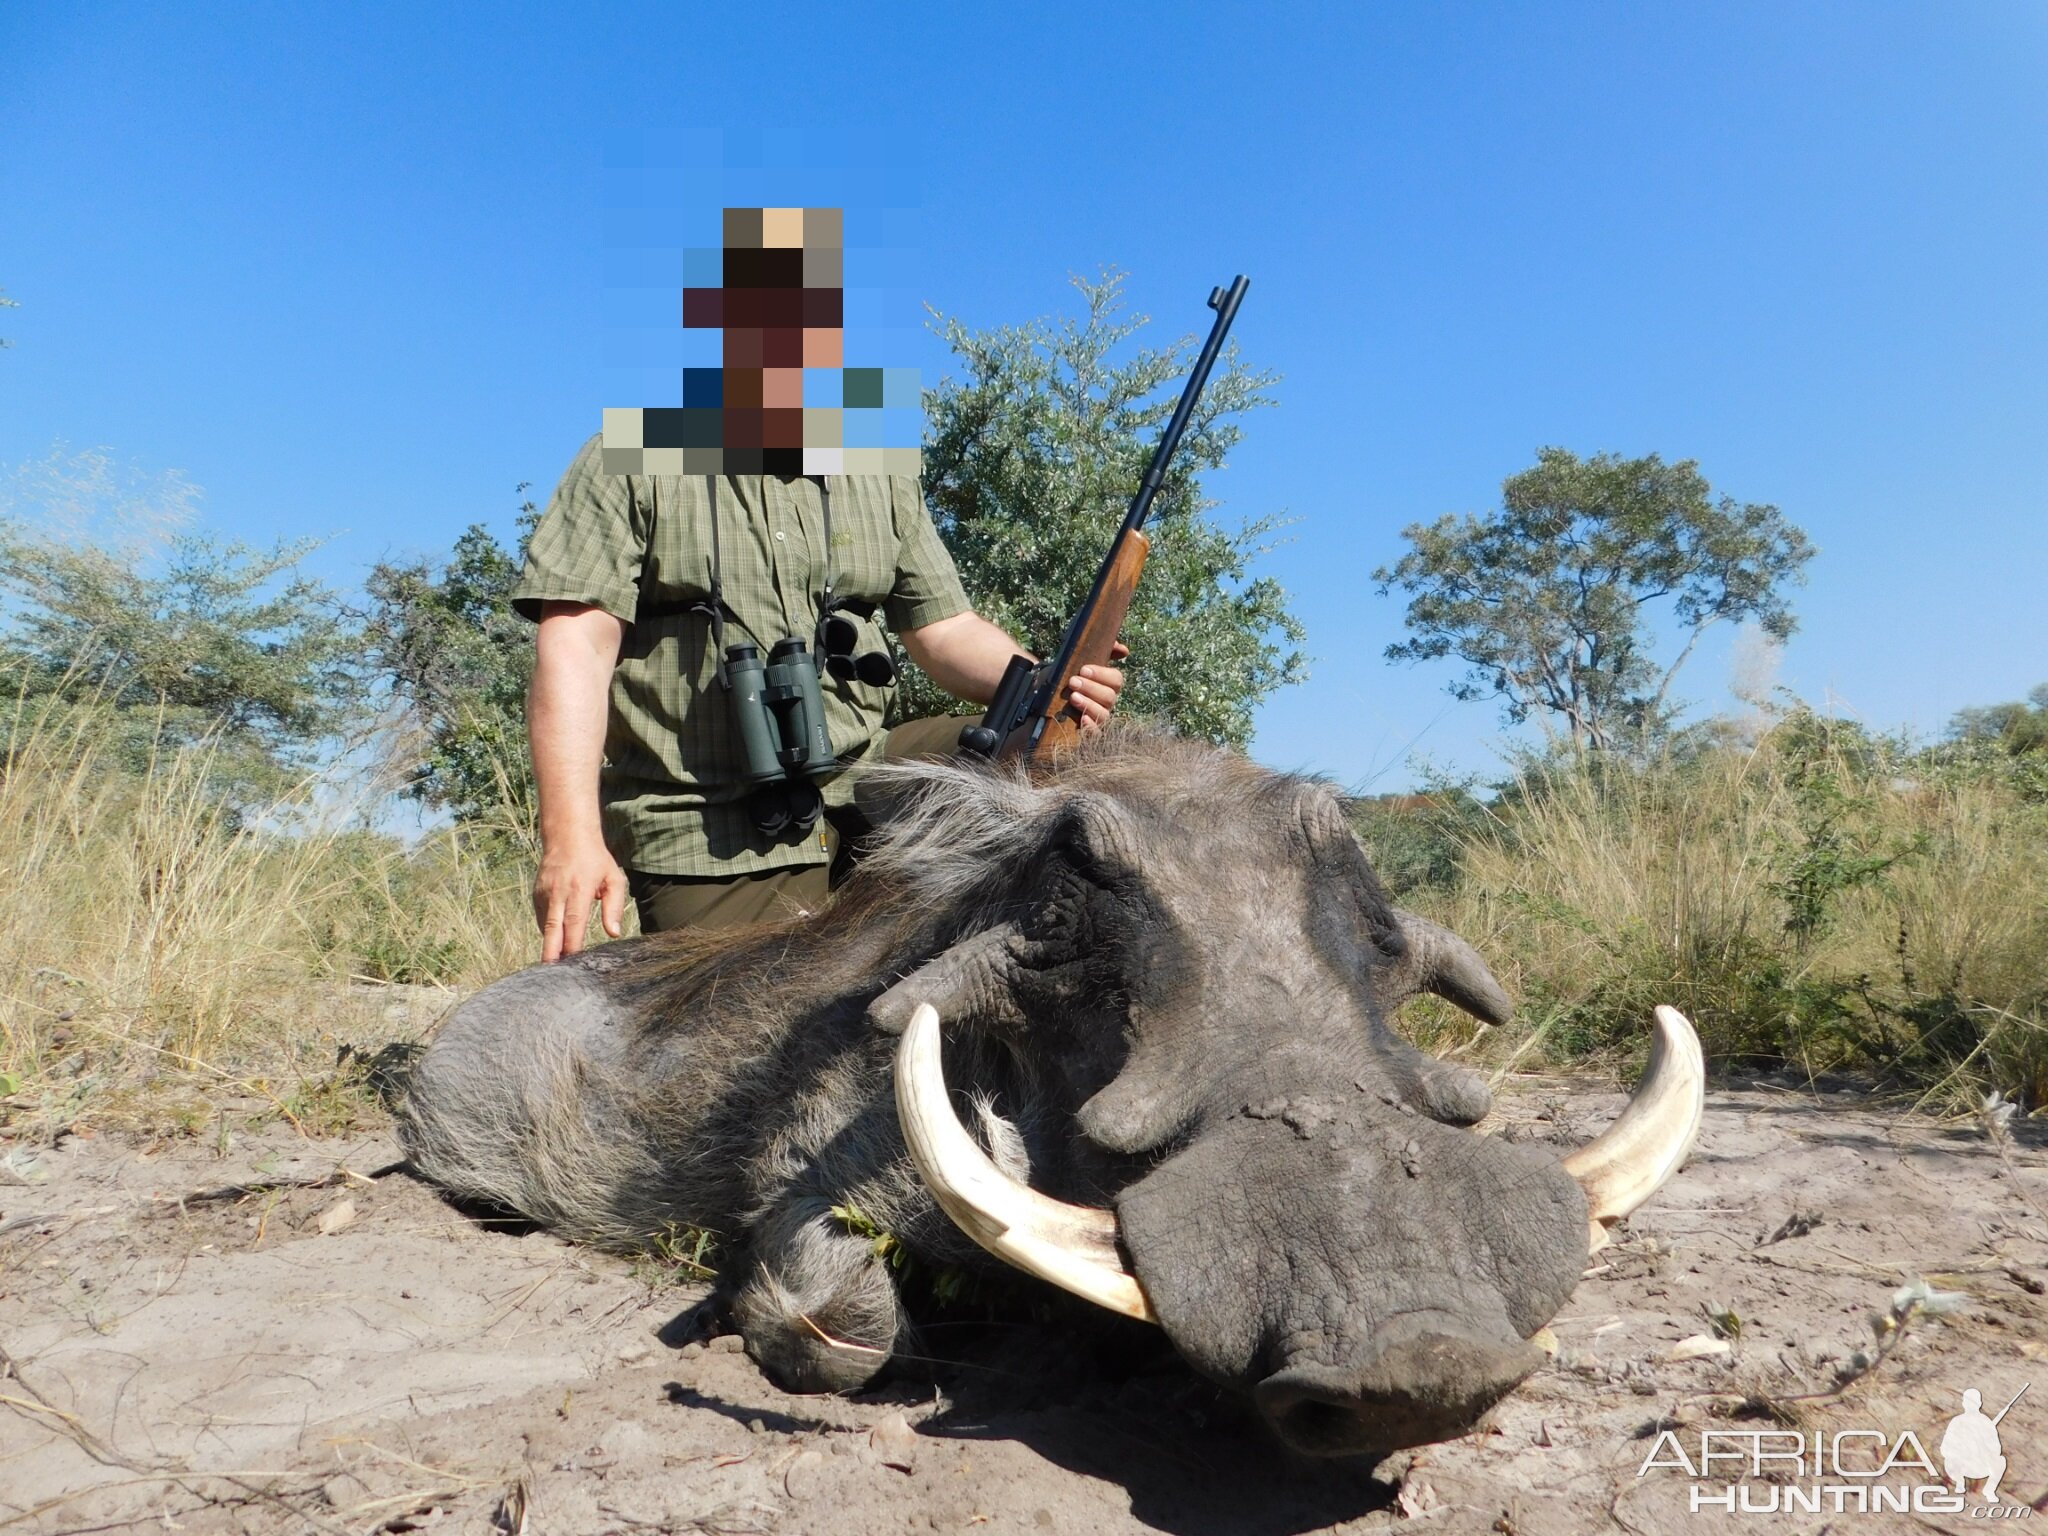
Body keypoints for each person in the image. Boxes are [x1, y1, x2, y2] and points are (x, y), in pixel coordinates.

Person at [510, 209, 1123, 958]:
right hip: (709, 826)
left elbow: (943, 631)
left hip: (863, 778)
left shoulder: (877, 466)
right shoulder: (625, 456)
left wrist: (1047, 683)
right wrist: (571, 840)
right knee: (754, 1048)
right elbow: (575, 647)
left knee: (1051, 748)